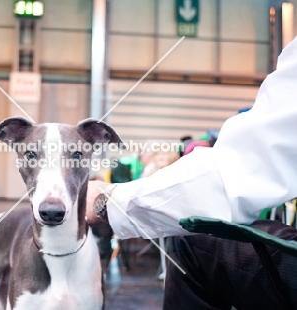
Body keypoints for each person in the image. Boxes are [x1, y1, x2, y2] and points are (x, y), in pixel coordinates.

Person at [87, 36, 297, 309]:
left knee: (193, 240)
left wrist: (108, 202)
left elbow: (234, 176)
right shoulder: (137, 164)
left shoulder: (169, 157)